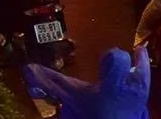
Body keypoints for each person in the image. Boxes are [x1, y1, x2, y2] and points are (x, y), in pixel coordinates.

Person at [23, 46, 151, 119]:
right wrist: (141, 50)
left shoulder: (93, 96)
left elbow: (62, 84)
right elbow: (143, 66)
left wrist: (33, 71)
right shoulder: (138, 88)